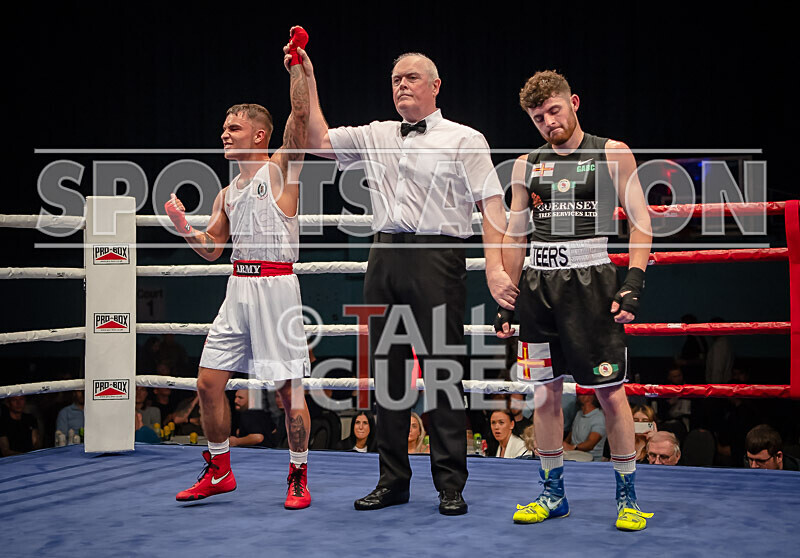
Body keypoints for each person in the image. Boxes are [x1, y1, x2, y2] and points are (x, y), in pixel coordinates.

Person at [299, 40, 515, 516]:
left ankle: (449, 484)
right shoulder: (375, 132)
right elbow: (315, 141)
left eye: (411, 77)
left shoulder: (465, 138)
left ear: (436, 86)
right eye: (396, 79)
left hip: (437, 255)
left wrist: (497, 266)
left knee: (441, 372)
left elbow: (492, 205)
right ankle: (392, 480)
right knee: (388, 375)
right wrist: (307, 78)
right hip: (384, 253)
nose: (401, 85)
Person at [496, 70, 654, 531]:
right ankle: (552, 494)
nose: (548, 122)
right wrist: (507, 293)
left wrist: (635, 280)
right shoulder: (526, 164)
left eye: (553, 110)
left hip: (593, 285)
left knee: (610, 392)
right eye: (537, 116)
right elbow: (516, 233)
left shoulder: (611, 153)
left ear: (574, 103)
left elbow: (641, 222)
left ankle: (627, 497)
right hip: (538, 286)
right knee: (543, 395)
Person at [168, 28, 313, 509]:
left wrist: (296, 64)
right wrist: (184, 228)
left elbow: (300, 117)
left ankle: (297, 475)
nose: (223, 134)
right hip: (237, 288)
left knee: (288, 392)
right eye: (223, 128)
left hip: (277, 285)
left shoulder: (280, 170)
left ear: (259, 134)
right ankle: (219, 469)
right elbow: (212, 249)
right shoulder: (226, 193)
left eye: (232, 128)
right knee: (208, 383)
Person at [563, 393, 606, 462]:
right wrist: (563, 445)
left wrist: (572, 447)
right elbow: (572, 433)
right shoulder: (579, 413)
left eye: (581, 393)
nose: (577, 395)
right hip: (572, 455)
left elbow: (590, 444)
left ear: (590, 397)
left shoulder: (599, 417)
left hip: (591, 461)